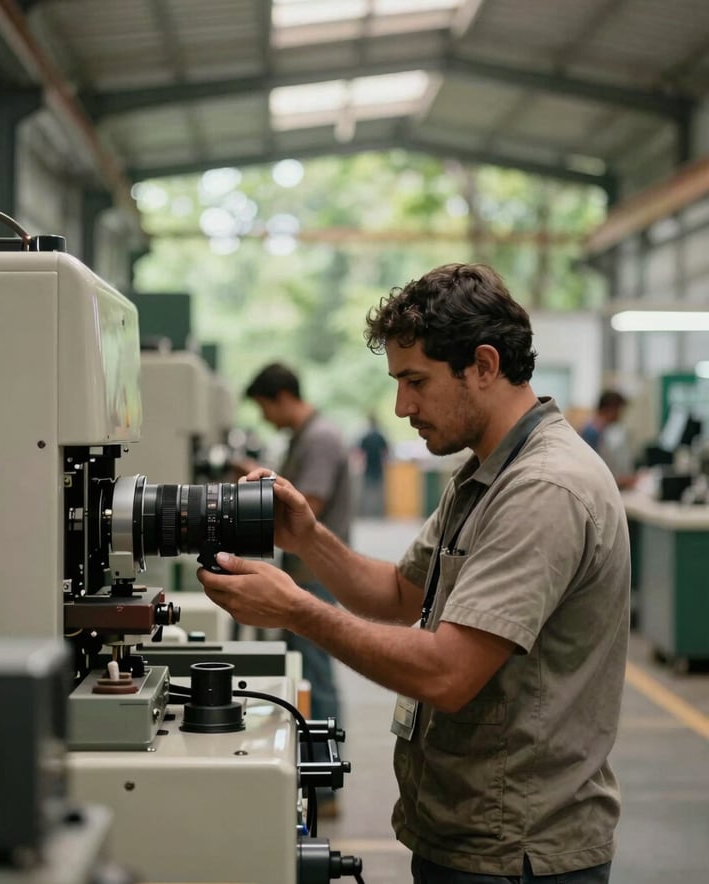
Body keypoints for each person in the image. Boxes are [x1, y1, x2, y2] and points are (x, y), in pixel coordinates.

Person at [202, 264, 630, 882]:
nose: (402, 407)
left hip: (516, 852)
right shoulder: (485, 473)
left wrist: (296, 609)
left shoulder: (544, 488)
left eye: (415, 382)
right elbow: (400, 594)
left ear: (483, 365)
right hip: (469, 831)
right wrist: (307, 539)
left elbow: (451, 673)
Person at [244, 361, 352, 814]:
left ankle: (325, 789)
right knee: (307, 679)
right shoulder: (305, 437)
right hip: (302, 573)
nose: (265, 419)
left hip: (314, 577)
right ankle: (316, 780)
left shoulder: (321, 438)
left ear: (282, 397)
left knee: (318, 681)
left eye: (265, 408)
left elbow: (309, 503)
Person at [579, 390, 637, 489]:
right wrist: (621, 482)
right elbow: (591, 475)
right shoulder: (592, 433)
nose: (620, 415)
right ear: (611, 409)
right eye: (620, 410)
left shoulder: (597, 430)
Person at [357, 413, 390, 517]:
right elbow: (386, 451)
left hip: (368, 467)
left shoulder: (366, 436)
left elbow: (360, 452)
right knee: (379, 492)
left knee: (367, 492)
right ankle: (379, 514)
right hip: (378, 467)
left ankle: (366, 514)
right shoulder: (380, 436)